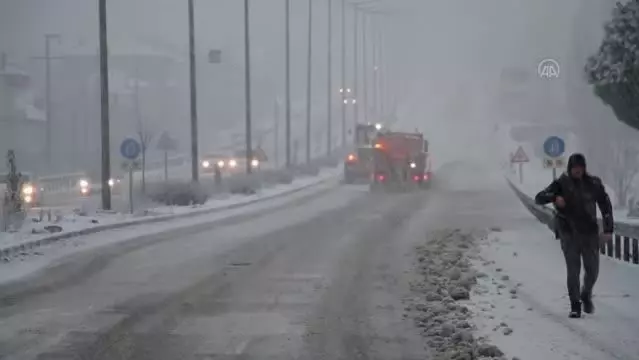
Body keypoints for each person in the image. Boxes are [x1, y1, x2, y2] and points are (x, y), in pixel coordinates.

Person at [534, 153, 613, 318]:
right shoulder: (560, 183)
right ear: (570, 168)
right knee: (573, 269)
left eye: (580, 168)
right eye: (575, 168)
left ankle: (586, 293)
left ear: (584, 168)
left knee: (592, 270)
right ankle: (575, 304)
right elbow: (539, 198)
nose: (578, 171)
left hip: (589, 232)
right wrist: (555, 198)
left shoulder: (593, 183)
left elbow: (605, 205)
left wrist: (608, 229)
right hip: (568, 232)